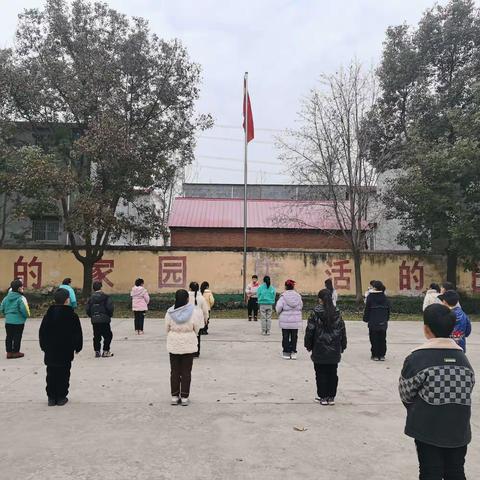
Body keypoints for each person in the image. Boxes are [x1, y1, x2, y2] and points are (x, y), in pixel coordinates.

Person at [399, 304, 475, 480]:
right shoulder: (463, 359)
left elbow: (405, 393)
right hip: (458, 429)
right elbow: (468, 387)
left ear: (426, 329)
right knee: (456, 471)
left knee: (429, 472)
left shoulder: (416, 358)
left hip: (427, 429)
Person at [39, 288, 83, 407]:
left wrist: (43, 346)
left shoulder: (48, 315)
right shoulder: (72, 316)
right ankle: (61, 396)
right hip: (65, 351)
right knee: (64, 374)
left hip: (51, 351)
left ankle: (51, 397)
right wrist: (77, 346)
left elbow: (42, 332)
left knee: (51, 373)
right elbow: (77, 333)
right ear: (67, 300)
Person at [304, 289, 347, 406]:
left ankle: (323, 397)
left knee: (320, 372)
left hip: (319, 347)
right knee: (333, 372)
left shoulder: (315, 313)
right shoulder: (337, 312)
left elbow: (310, 331)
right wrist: (343, 345)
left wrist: (308, 345)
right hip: (334, 348)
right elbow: (342, 330)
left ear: (320, 299)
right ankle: (331, 397)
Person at [165, 289, 203, 406]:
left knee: (174, 371)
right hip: (188, 343)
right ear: (187, 299)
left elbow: (167, 328)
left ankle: (174, 396)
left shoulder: (170, 312)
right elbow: (197, 327)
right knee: (186, 371)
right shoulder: (193, 311)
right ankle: (185, 397)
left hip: (174, 343)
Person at [1, 279, 30, 359]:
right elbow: (25, 310)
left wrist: (7, 315)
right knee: (17, 336)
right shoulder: (21, 298)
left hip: (8, 321)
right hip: (19, 322)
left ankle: (9, 353)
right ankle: (16, 352)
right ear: (19, 289)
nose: (22, 288)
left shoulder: (6, 298)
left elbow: (1, 308)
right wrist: (26, 316)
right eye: (21, 287)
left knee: (9, 336)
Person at [86, 281, 114, 358]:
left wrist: (92, 316)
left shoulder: (90, 298)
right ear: (101, 287)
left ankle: (97, 351)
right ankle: (106, 351)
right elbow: (110, 307)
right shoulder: (106, 297)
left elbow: (88, 309)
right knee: (108, 335)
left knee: (96, 336)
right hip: (104, 319)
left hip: (95, 319)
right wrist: (109, 315)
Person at [275, 279, 303, 359]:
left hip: (285, 320)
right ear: (293, 286)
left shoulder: (283, 297)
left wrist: (279, 313)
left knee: (285, 336)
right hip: (295, 321)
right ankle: (293, 352)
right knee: (294, 336)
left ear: (285, 287)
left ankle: (286, 352)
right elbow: (301, 306)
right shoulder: (298, 296)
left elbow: (278, 308)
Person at [363, 280, 390, 361]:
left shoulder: (370, 297)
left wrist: (365, 318)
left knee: (374, 338)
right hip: (383, 321)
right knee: (382, 338)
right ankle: (382, 355)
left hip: (373, 321)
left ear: (374, 288)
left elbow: (367, 309)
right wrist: (386, 319)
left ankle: (375, 355)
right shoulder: (384, 297)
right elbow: (388, 310)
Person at [188, 282, 209, 357]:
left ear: (190, 288)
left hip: (188, 318)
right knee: (197, 336)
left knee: (189, 335)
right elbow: (205, 310)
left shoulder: (186, 296)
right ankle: (196, 352)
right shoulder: (201, 298)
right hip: (198, 319)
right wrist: (206, 319)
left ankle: (189, 351)